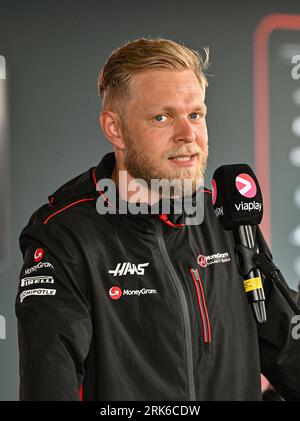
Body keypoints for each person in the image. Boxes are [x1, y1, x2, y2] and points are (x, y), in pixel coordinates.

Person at [15, 38, 300, 401]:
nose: (188, 135)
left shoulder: (225, 217)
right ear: (115, 129)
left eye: (195, 114)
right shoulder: (65, 236)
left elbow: (287, 350)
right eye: (162, 117)